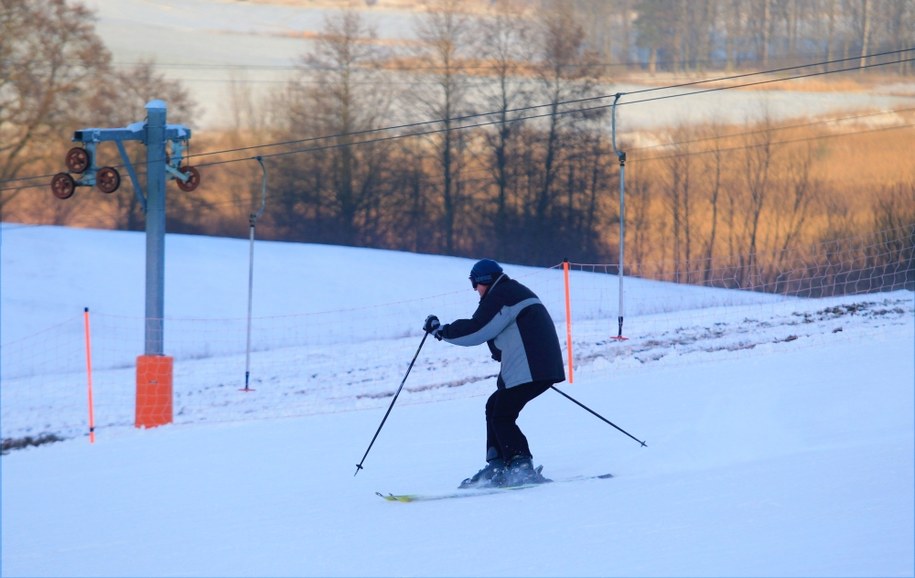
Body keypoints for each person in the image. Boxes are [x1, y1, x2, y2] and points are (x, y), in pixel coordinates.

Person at [423, 258, 566, 488]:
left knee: (502, 413)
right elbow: (506, 333)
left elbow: (477, 329)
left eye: (474, 284)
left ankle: (520, 465)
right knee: (495, 405)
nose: (475, 290)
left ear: (484, 280)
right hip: (538, 365)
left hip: (532, 366)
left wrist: (442, 331)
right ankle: (498, 464)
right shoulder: (509, 291)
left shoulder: (502, 295)